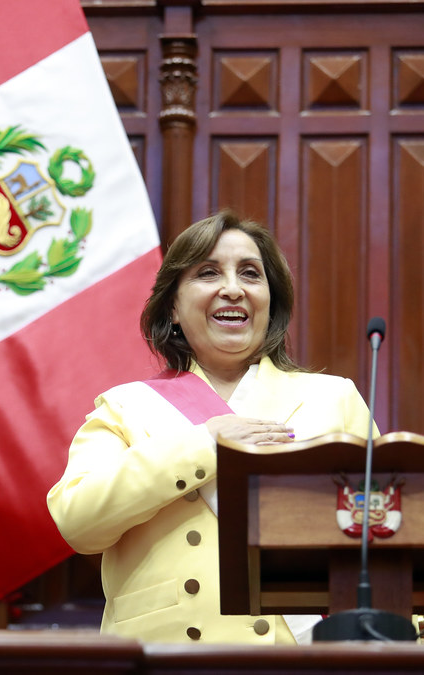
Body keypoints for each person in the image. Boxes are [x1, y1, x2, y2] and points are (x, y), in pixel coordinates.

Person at [46, 210, 374, 645]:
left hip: (301, 656)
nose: (233, 289)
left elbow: (386, 531)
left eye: (251, 274)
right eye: (208, 273)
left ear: (270, 302)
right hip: (169, 657)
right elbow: (79, 522)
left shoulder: (334, 399)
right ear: (174, 308)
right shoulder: (126, 407)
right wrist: (205, 444)